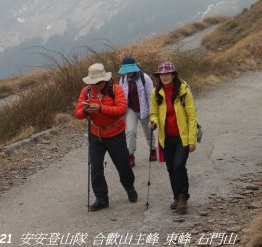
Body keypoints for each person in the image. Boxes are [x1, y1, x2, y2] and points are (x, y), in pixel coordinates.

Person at [75, 63, 138, 211]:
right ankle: (102, 198)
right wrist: (85, 110)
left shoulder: (115, 89)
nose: (95, 85)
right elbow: (78, 113)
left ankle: (129, 187)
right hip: (96, 134)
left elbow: (121, 109)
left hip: (115, 133)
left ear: (104, 80)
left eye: (98, 83)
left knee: (123, 165)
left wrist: (101, 108)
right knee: (95, 167)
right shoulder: (86, 92)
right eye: (93, 83)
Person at [148, 61, 198, 215]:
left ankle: (183, 197)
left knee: (178, 166)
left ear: (174, 74)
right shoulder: (156, 93)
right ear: (158, 76)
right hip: (166, 138)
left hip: (182, 137)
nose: (165, 77)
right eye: (162, 74)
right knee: (171, 168)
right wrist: (153, 122)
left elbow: (191, 116)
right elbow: (154, 113)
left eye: (168, 73)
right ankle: (176, 197)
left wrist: (192, 140)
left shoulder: (183, 91)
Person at [118, 56, 156, 167]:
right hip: (131, 109)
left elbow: (150, 96)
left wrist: (152, 113)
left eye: (130, 69)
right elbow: (120, 96)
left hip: (144, 109)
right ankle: (130, 155)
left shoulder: (145, 78)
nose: (128, 72)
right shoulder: (123, 79)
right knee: (130, 131)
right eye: (126, 70)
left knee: (148, 130)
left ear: (135, 68)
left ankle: (153, 150)